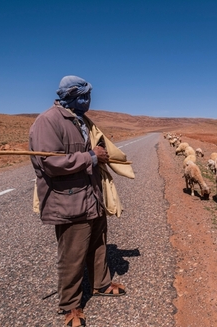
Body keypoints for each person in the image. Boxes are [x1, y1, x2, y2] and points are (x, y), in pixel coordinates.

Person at [29, 75, 126, 327]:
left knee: (98, 243)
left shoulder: (81, 121)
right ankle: (70, 305)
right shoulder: (48, 122)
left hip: (91, 196)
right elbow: (49, 164)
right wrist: (91, 157)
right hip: (68, 200)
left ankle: (101, 284)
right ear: (69, 96)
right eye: (83, 97)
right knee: (72, 254)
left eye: (89, 96)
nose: (88, 101)